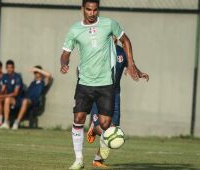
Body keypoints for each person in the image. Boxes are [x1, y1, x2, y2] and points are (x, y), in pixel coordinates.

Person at [60, 0, 148, 169]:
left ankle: (100, 154)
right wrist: (64, 63)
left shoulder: (109, 24)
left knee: (107, 125)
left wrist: (131, 64)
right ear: (82, 9)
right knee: (78, 118)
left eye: (95, 10)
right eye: (88, 10)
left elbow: (126, 41)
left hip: (106, 84)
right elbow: (65, 53)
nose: (92, 13)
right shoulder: (74, 30)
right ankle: (78, 160)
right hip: (85, 82)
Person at [86, 37, 148, 166]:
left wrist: (139, 73)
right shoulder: (98, 50)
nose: (112, 36)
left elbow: (131, 66)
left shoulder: (122, 52)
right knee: (104, 129)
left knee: (113, 129)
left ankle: (98, 160)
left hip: (115, 95)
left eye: (114, 34)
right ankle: (93, 127)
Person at [7, 65, 52, 130]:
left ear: (40, 73)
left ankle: (16, 122)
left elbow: (49, 75)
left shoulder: (43, 82)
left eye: (37, 72)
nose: (36, 74)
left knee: (25, 101)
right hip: (24, 100)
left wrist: (37, 69)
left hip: (33, 102)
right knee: (8, 99)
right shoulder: (32, 83)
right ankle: (6, 122)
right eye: (35, 72)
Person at [0, 60, 23, 129]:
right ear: (6, 68)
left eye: (11, 67)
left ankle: (6, 122)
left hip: (17, 100)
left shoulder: (17, 77)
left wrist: (3, 96)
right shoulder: (5, 76)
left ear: (13, 68)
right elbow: (3, 89)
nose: (9, 69)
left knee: (7, 99)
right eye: (8, 68)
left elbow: (15, 93)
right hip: (7, 97)